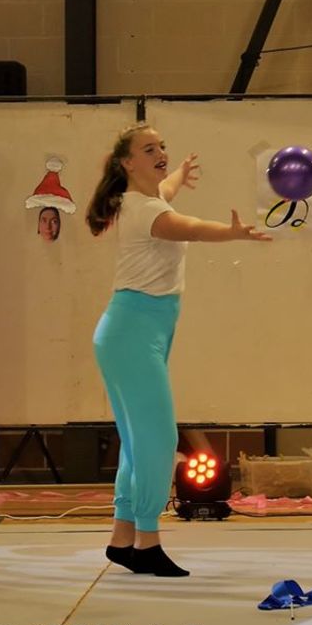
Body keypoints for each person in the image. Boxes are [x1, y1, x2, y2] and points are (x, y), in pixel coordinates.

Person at [86, 122, 270, 577]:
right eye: (149, 149)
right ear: (128, 163)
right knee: (159, 439)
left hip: (133, 332)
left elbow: (164, 192)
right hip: (132, 333)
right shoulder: (146, 212)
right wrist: (231, 233)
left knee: (138, 441)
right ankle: (147, 541)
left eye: (162, 147)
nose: (160, 153)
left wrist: (179, 174)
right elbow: (187, 228)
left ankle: (122, 538)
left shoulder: (142, 198)